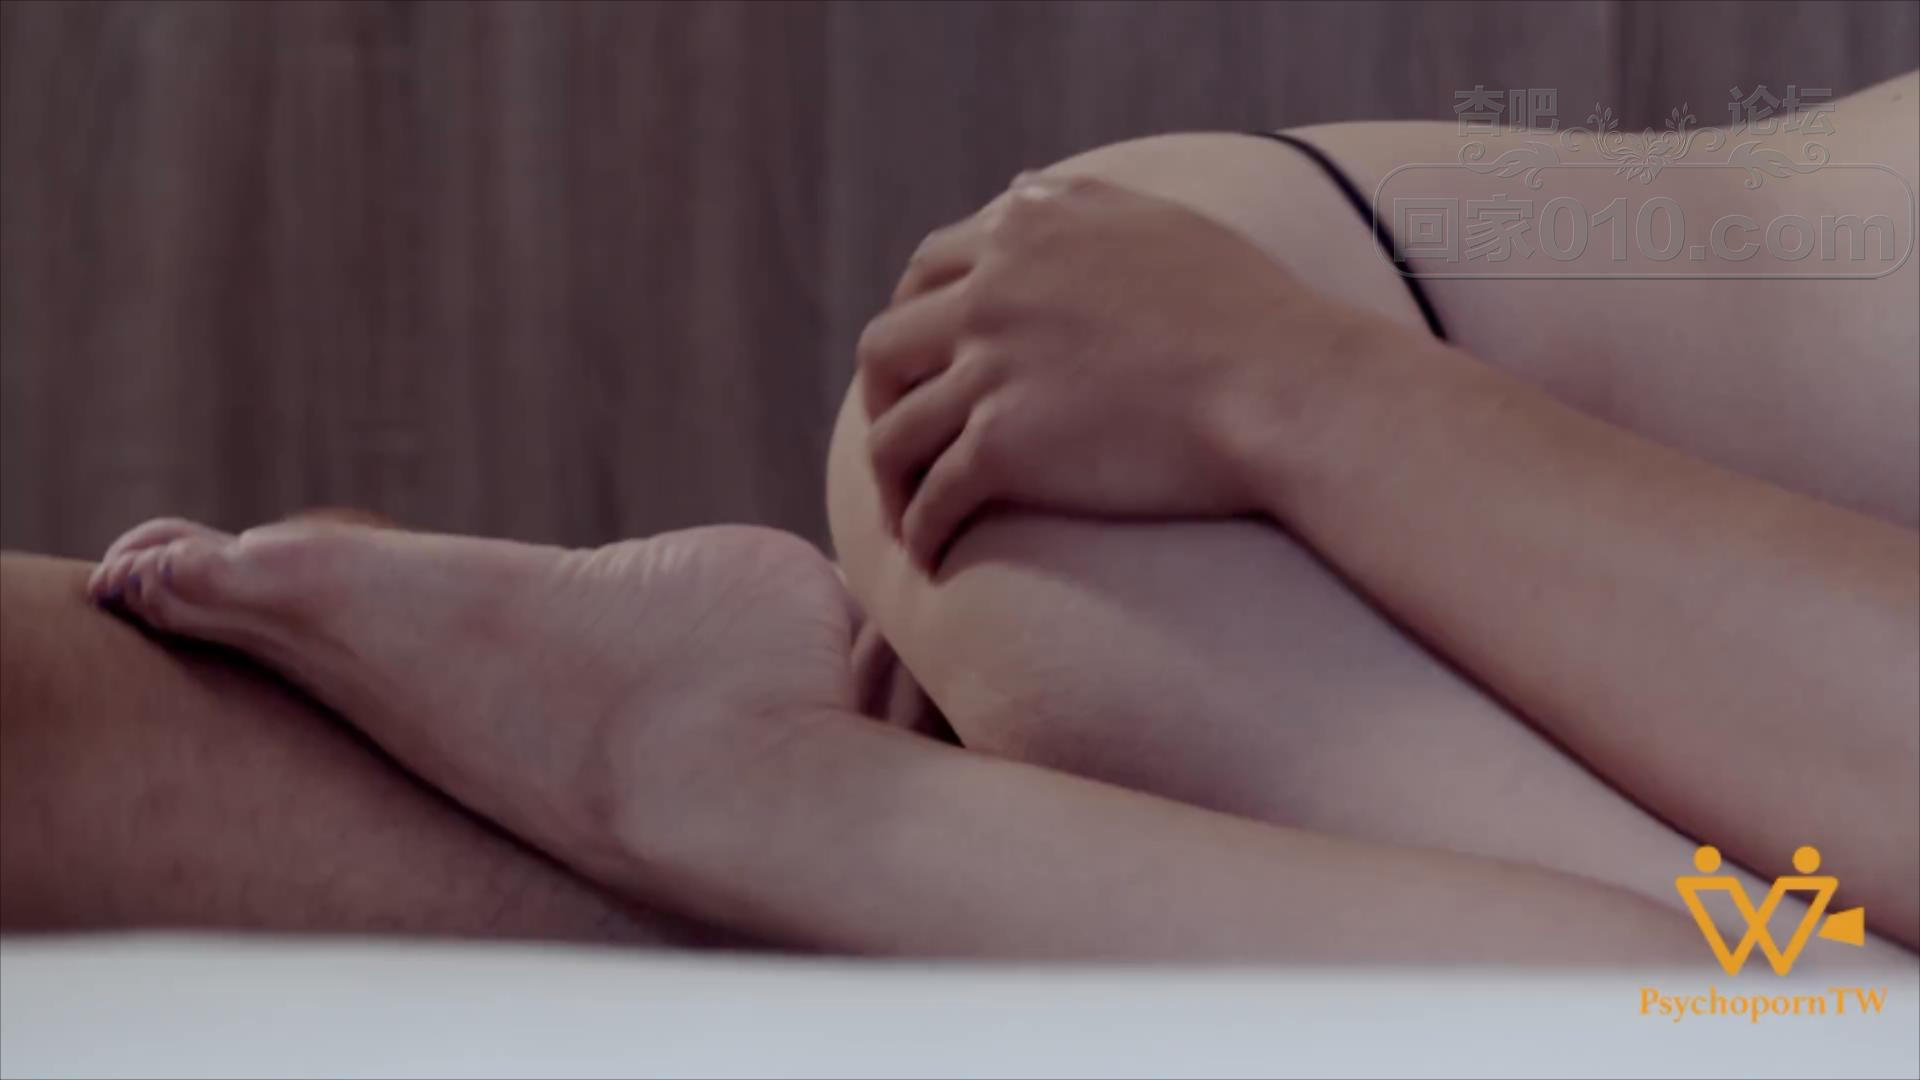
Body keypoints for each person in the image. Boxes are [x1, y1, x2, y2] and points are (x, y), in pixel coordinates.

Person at [3, 72, 1914, 964]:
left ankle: (732, 773)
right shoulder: (1273, 383)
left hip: (1241, 396)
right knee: (1779, 1021)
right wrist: (1290, 388)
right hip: (1224, 421)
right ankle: (740, 776)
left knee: (1779, 995)